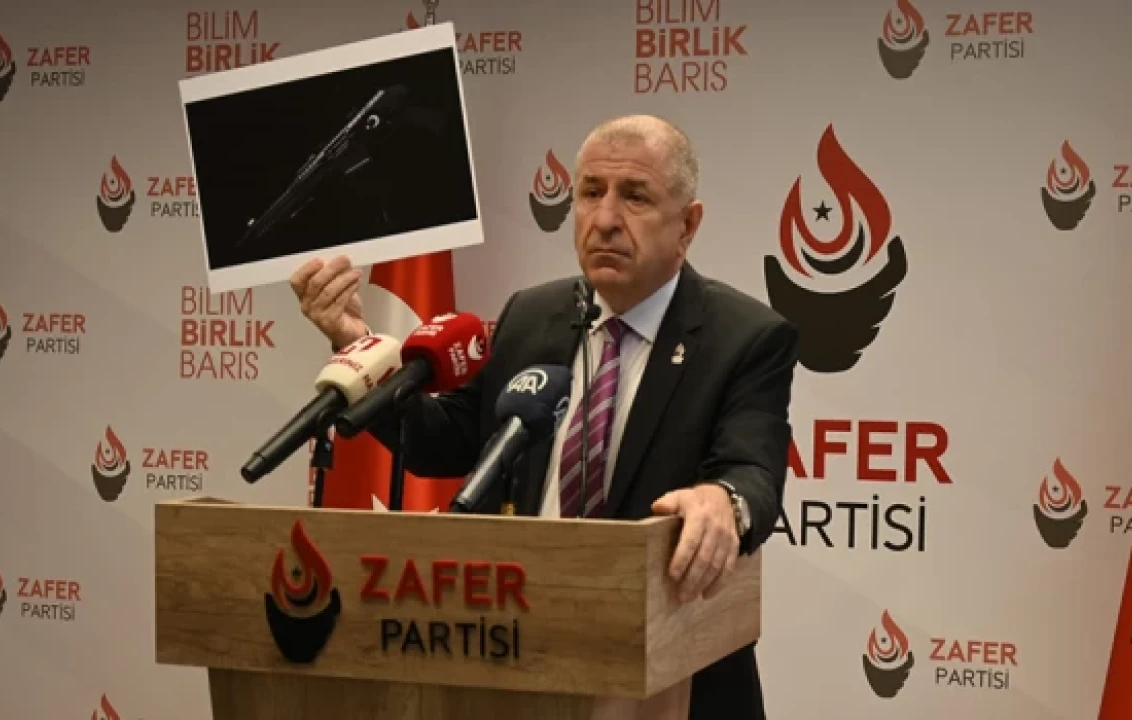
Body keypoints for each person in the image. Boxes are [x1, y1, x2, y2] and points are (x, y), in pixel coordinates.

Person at [290, 114, 799, 719]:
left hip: (670, 680)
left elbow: (752, 470)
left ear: (687, 224)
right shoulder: (532, 316)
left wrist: (722, 501)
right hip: (525, 664)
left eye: (634, 197)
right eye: (590, 192)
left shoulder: (744, 337)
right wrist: (359, 348)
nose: (604, 218)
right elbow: (441, 443)